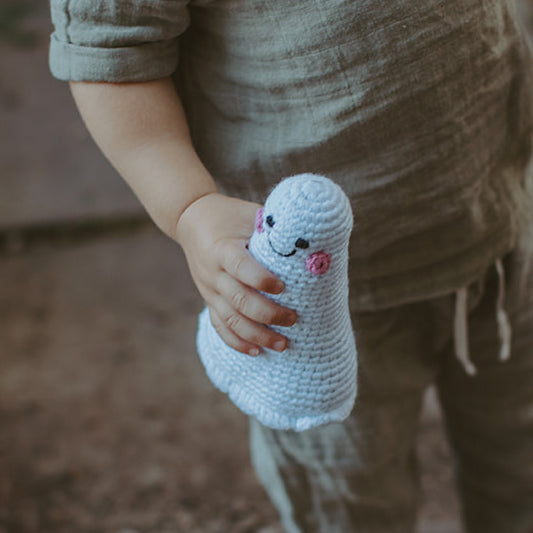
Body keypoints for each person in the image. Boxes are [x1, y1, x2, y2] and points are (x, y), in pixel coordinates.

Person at [49, 0, 533, 531]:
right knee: (349, 499)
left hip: (502, 230)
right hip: (310, 313)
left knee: (518, 459)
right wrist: (190, 209)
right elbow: (114, 53)